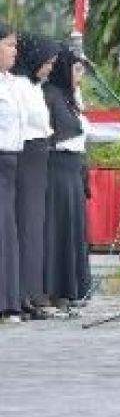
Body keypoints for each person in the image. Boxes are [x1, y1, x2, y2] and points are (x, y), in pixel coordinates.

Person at [42, 45, 91, 310]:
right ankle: (55, 291)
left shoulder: (71, 97)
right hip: (57, 169)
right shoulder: (50, 95)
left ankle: (72, 289)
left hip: (73, 169)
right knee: (58, 231)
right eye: (76, 69)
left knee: (73, 230)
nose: (80, 75)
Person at [12, 35, 57, 319]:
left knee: (35, 228)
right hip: (27, 155)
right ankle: (23, 293)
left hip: (39, 156)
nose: (50, 68)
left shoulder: (32, 85)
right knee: (26, 227)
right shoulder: (17, 85)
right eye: (47, 62)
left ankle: (32, 292)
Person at [0, 24, 24, 324]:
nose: (14, 51)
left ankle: (8, 300)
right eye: (8, 44)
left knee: (8, 233)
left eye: (15, 45)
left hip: (11, 162)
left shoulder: (12, 82)